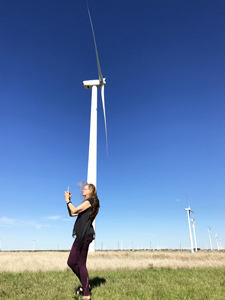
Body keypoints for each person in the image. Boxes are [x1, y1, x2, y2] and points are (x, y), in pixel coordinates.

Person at [64, 182, 100, 300]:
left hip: (85, 235)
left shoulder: (91, 201)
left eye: (85, 189)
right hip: (80, 235)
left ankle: (86, 294)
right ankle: (86, 286)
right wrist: (68, 201)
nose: (82, 190)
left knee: (81, 264)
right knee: (71, 262)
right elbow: (72, 213)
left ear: (91, 191)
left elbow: (74, 210)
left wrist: (68, 201)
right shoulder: (86, 203)